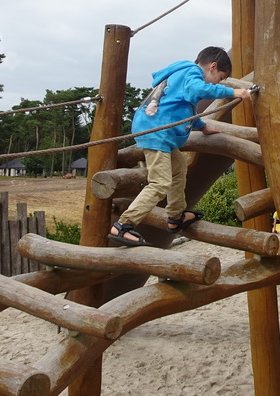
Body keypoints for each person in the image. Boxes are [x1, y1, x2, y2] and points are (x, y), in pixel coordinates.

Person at [108, 47, 252, 247]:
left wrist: (202, 127)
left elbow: (182, 108)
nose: (218, 83)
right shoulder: (191, 73)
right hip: (156, 132)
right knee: (160, 183)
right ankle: (123, 225)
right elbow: (198, 91)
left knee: (179, 169)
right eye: (220, 78)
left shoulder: (183, 76)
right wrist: (232, 91)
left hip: (159, 133)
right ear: (213, 67)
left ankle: (175, 216)